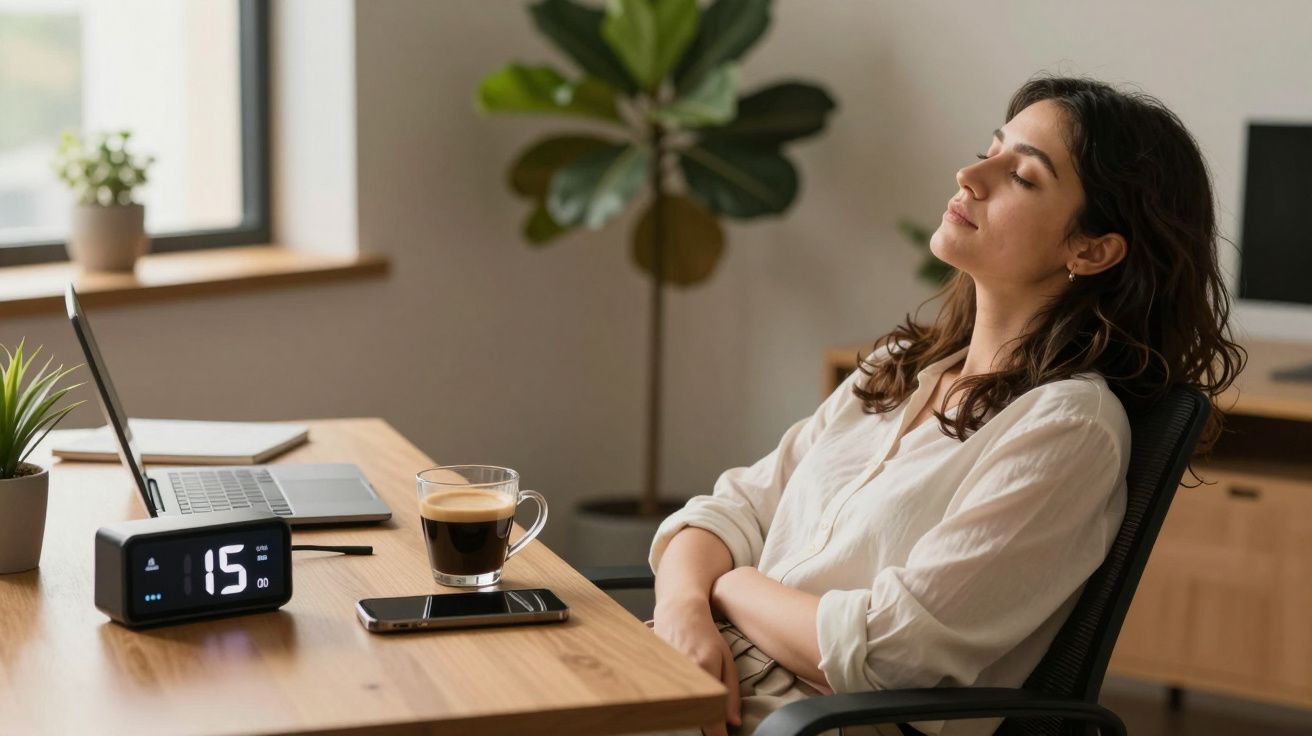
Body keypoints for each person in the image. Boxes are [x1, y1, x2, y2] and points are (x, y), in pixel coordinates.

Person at [643, 76, 1245, 736]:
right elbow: (730, 510)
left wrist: (728, 587)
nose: (970, 175)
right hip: (698, 661)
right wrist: (684, 608)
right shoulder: (897, 368)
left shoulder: (1067, 428)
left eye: (1021, 176)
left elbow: (889, 651)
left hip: (800, 718)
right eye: (990, 150)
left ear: (1091, 249)